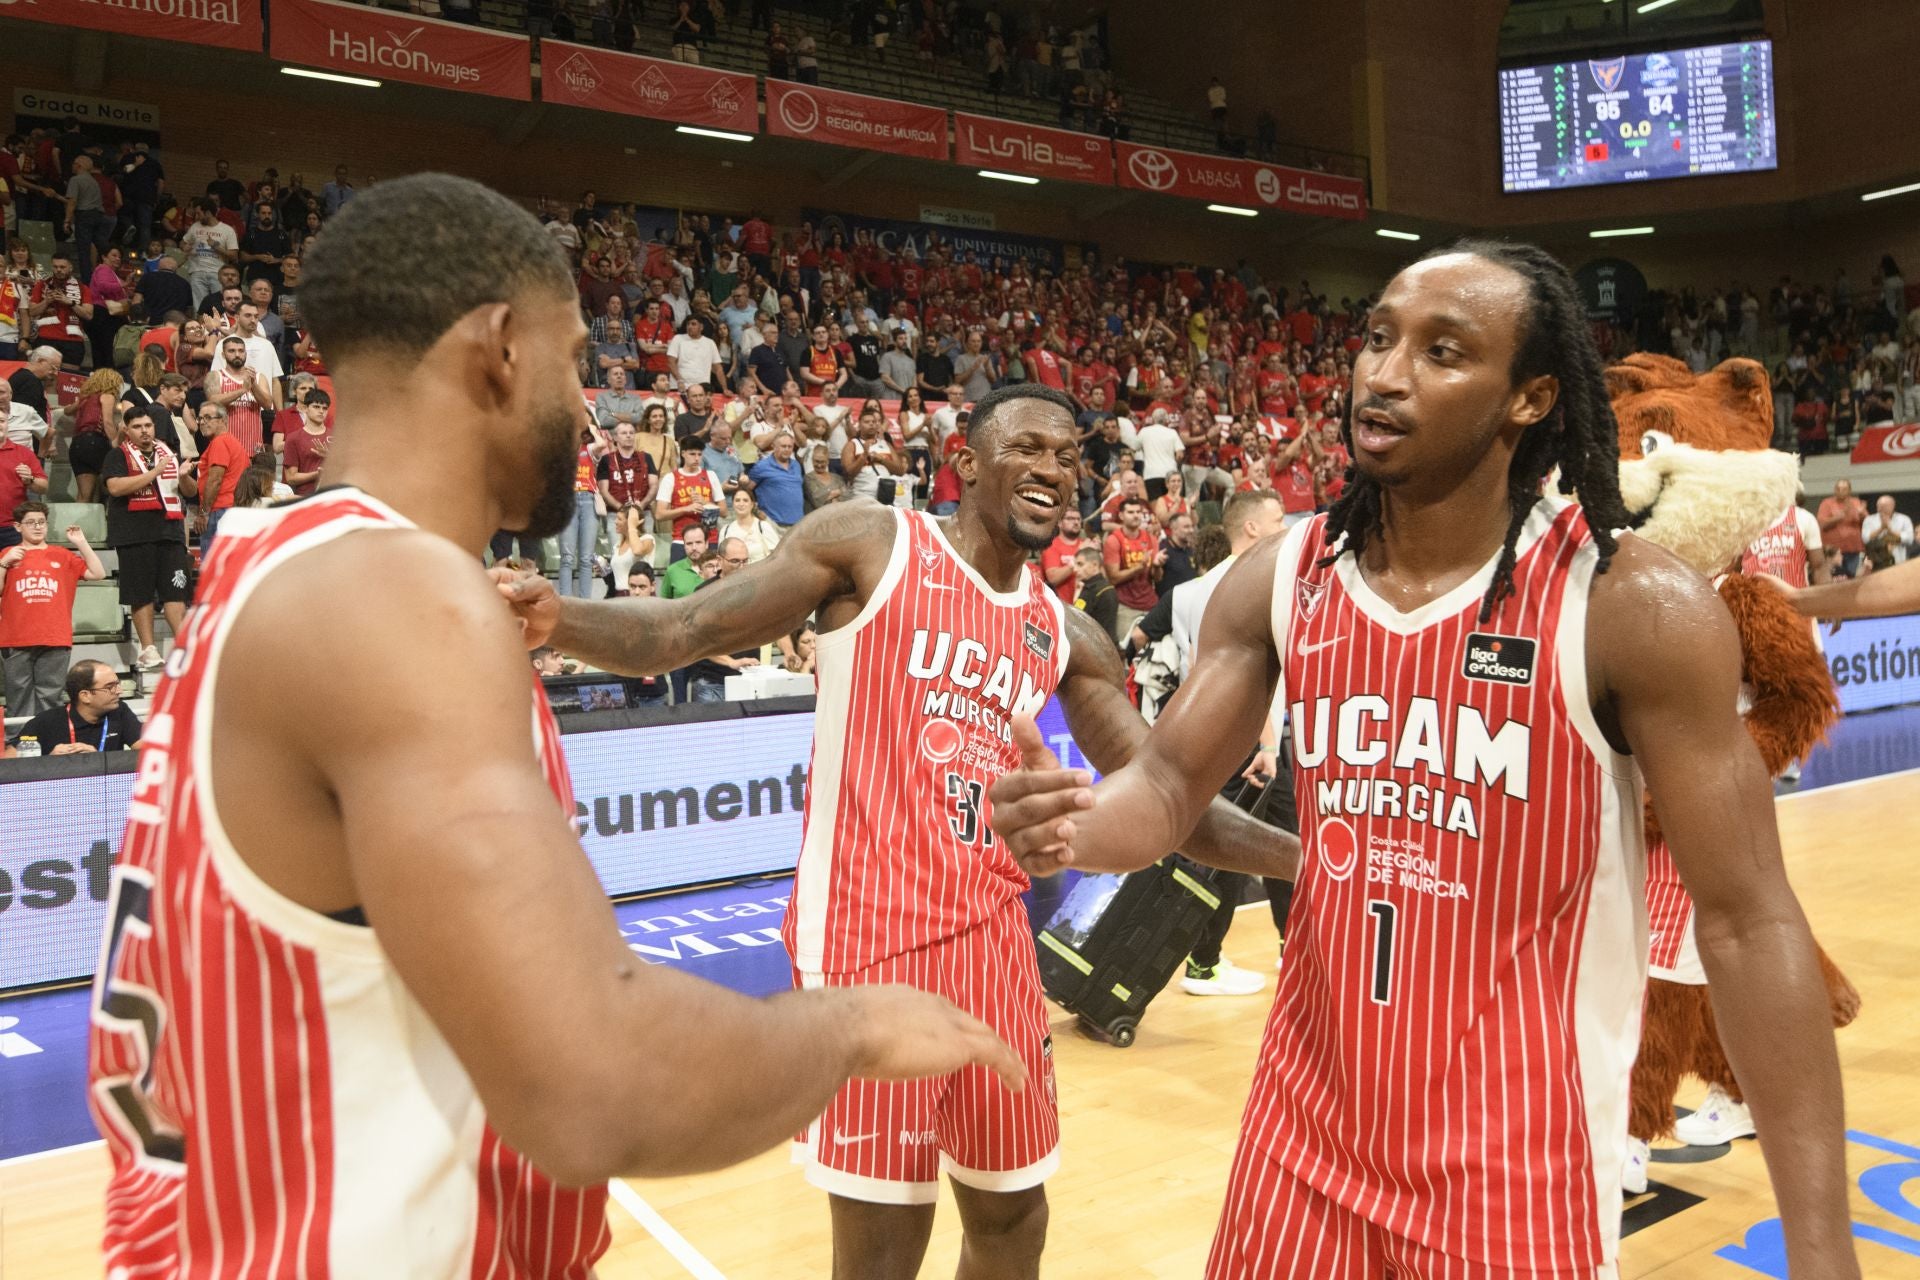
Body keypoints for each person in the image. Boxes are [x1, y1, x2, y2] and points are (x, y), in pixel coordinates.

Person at [88, 174, 1024, 1280]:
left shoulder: (270, 555)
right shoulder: (394, 599)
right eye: (575, 355)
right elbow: (594, 1084)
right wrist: (852, 1024)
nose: (588, 401)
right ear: (499, 347)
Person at [989, 241, 1858, 1279]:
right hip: (1300, 1139)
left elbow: (1751, 919)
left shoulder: (1632, 604)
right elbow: (1171, 786)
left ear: (1532, 397)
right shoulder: (1281, 576)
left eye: (1442, 350)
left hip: (1514, 1162)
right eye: (1376, 338)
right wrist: (1077, 821)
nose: (1384, 372)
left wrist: (1823, 1247)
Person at [498, 381, 1288, 1280]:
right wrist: (559, 617)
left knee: (1013, 1214)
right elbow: (683, 626)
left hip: (993, 942)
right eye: (1027, 448)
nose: (1052, 470)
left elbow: (1168, 797)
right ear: (965, 463)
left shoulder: (1065, 632)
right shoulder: (872, 543)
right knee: (883, 1241)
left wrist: (1310, 860)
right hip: (869, 940)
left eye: (1068, 457)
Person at [101, 403, 192, 670]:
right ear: (126, 430)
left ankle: (185, 646)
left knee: (176, 591)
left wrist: (184, 477)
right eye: (138, 427)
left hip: (170, 531)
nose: (144, 431)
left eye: (148, 426)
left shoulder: (169, 453)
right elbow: (115, 487)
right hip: (134, 533)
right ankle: (148, 650)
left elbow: (188, 491)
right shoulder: (117, 455)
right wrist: (153, 473)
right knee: (141, 593)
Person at [0, 501, 107, 716]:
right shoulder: (8, 553)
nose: (37, 527)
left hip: (55, 637)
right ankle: (19, 743)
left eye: (41, 522)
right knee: (17, 697)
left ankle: (49, 744)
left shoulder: (62, 555)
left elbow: (98, 573)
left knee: (51, 697)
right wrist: (3, 564)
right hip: (16, 638)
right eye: (30, 522)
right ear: (18, 526)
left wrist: (82, 543)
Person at [13, 657, 141, 754]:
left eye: (117, 684)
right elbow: (9, 762)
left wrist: (99, 759)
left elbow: (147, 753)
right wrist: (49, 761)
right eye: (110, 687)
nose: (119, 691)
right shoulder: (46, 722)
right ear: (85, 695)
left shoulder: (120, 712)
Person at [1101, 495, 1160, 645]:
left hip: (1150, 602)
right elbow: (1113, 578)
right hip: (1125, 605)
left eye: (1138, 512)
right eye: (1131, 512)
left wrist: (1158, 567)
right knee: (1123, 649)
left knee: (1152, 649)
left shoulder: (1151, 539)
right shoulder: (1113, 540)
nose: (1136, 515)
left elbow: (1157, 578)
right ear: (1121, 515)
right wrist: (1138, 568)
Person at [192, 400, 250, 547]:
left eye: (208, 417)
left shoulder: (220, 443)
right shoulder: (232, 442)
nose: (202, 422)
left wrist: (204, 513)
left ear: (223, 420)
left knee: (213, 565)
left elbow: (215, 480)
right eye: (200, 418)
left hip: (219, 511)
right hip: (231, 510)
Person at [280, 386, 333, 496]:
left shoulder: (336, 435)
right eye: (316, 407)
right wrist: (317, 474)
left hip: (332, 495)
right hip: (305, 497)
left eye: (325, 408)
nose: (321, 411)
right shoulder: (293, 438)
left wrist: (329, 456)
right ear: (305, 409)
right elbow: (291, 478)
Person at [747, 428, 804, 529]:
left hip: (798, 525)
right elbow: (747, 489)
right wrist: (755, 510)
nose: (787, 449)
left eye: (790, 447)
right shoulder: (762, 466)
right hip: (773, 524)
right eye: (783, 446)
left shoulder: (796, 465)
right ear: (774, 446)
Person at [1817, 479, 1867, 577]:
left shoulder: (1856, 502)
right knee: (1832, 578)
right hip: (1832, 552)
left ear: (1850, 490)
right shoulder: (1826, 503)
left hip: (1853, 551)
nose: (1840, 491)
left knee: (1852, 579)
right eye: (1838, 488)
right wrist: (1841, 515)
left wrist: (1862, 515)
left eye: (1844, 489)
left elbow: (1867, 523)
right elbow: (1822, 525)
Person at [719, 488, 780, 563]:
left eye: (745, 500)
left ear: (752, 504)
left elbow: (777, 556)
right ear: (733, 504)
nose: (741, 504)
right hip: (735, 574)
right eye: (737, 500)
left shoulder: (763, 527)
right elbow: (721, 560)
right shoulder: (725, 530)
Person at [1070, 544, 1116, 638]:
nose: (1075, 569)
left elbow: (1075, 621)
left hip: (1098, 646)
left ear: (1095, 565)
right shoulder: (1093, 586)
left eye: (1080, 564)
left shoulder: (1099, 591)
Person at [1861, 494, 1912, 567]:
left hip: (1899, 560)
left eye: (1884, 506)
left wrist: (1891, 531)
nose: (1880, 509)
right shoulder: (1869, 520)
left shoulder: (1904, 519)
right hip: (1876, 562)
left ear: (1892, 506)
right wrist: (1881, 528)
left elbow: (1909, 539)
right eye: (1879, 506)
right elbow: (1865, 539)